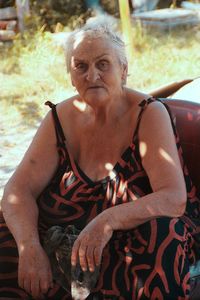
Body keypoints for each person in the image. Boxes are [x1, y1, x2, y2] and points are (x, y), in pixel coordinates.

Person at [0, 17, 200, 300]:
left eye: (103, 64)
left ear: (124, 70)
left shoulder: (148, 113)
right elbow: (17, 191)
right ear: (70, 75)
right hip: (66, 237)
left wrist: (106, 221)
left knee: (162, 233)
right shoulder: (59, 118)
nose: (91, 75)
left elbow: (173, 198)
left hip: (130, 234)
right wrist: (28, 247)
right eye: (80, 66)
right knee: (8, 228)